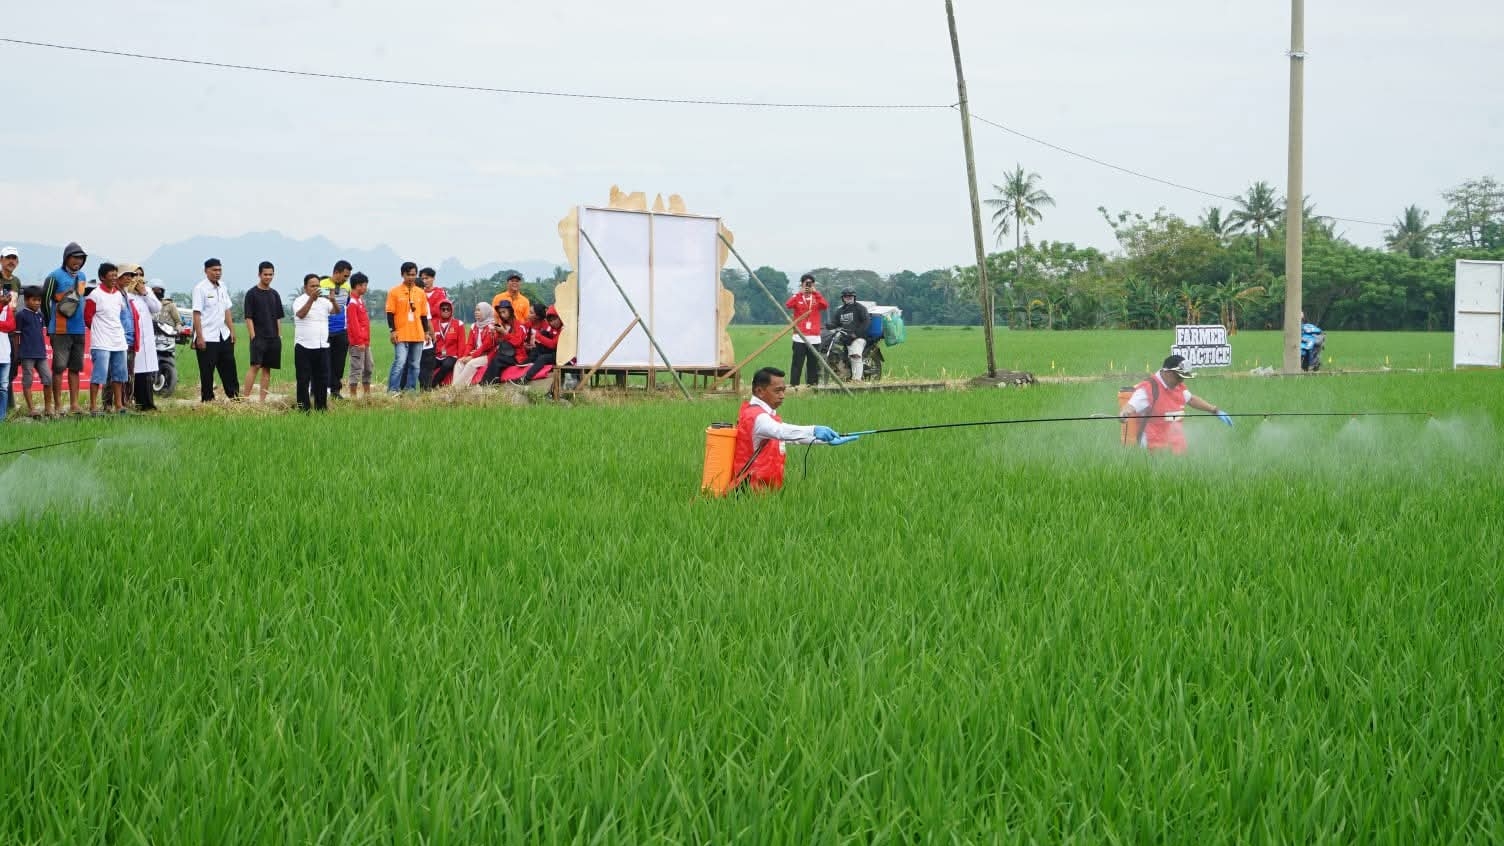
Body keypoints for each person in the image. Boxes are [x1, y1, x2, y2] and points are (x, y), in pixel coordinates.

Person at [731, 366, 858, 492]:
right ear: (760, 391)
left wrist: (824, 440)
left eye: (783, 390)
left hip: (762, 489)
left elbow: (788, 438)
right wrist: (814, 429)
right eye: (777, 391)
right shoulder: (758, 417)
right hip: (749, 489)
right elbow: (781, 431)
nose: (782, 396)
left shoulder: (761, 413)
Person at [1119, 354, 1235, 455]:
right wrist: (1124, 414)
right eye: (1179, 377)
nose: (1181, 381)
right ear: (1168, 373)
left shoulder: (1177, 386)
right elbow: (1130, 406)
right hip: (1153, 450)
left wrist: (1215, 410)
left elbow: (1191, 399)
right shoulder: (1149, 388)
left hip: (1176, 448)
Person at [42, 242, 89, 415]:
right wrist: (49, 325)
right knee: (59, 368)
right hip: (60, 330)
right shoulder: (54, 276)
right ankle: (58, 405)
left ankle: (75, 404)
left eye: (81, 258)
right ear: (66, 258)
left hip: (79, 329)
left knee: (75, 368)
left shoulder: (83, 276)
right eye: (74, 257)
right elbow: (45, 302)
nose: (78, 261)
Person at [84, 262, 131, 415]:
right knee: (99, 375)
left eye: (115, 275)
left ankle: (119, 405)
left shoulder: (118, 295)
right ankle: (93, 407)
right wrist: (100, 330)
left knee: (119, 375)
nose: (114, 278)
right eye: (110, 276)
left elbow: (120, 316)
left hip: (118, 341)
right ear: (102, 277)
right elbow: (88, 318)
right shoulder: (95, 295)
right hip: (101, 342)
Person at [191, 257, 239, 401]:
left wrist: (232, 331)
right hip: (207, 336)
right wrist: (199, 337)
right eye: (214, 270)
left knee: (230, 367)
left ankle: (235, 397)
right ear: (206, 271)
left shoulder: (222, 286)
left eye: (219, 270)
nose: (217, 273)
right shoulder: (200, 289)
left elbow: (227, 310)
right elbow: (196, 314)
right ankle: (208, 400)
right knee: (207, 371)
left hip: (223, 334)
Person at [293, 273, 340, 412]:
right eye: (312, 286)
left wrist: (333, 300)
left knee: (322, 379)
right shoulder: (299, 300)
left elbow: (336, 312)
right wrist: (311, 300)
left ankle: (321, 408)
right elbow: (300, 314)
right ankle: (304, 409)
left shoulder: (325, 301)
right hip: (304, 346)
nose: (315, 288)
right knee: (303, 379)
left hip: (322, 346)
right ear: (305, 287)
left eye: (318, 286)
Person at [384, 261, 431, 394]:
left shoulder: (420, 293)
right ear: (402, 274)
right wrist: (392, 331)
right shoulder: (394, 292)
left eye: (414, 275)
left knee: (415, 365)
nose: (411, 277)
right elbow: (390, 313)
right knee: (400, 362)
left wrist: (426, 332)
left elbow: (423, 315)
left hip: (417, 333)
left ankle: (410, 389)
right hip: (401, 334)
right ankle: (393, 389)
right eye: (409, 275)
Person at [243, 261, 285, 401]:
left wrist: (279, 336)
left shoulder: (275, 294)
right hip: (258, 337)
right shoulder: (251, 294)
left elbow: (278, 317)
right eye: (265, 274)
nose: (268, 277)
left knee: (267, 369)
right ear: (259, 274)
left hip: (273, 338)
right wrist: (253, 336)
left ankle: (262, 401)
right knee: (255, 366)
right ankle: (245, 399)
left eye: (270, 274)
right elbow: (248, 317)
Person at [124, 272, 162, 412]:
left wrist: (144, 292)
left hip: (147, 339)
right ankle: (132, 402)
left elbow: (157, 308)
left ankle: (148, 403)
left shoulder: (147, 291)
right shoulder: (126, 294)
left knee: (146, 373)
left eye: (141, 274)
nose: (139, 278)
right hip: (133, 338)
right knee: (133, 372)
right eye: (135, 274)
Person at [15, 286, 54, 418]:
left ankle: (48, 407)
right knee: (28, 380)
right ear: (26, 300)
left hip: (41, 354)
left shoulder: (40, 315)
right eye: (34, 300)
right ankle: (32, 409)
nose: (37, 303)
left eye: (39, 300)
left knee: (48, 378)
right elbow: (17, 336)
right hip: (27, 354)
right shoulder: (21, 315)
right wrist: (17, 353)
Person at [785, 272, 828, 387]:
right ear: (802, 284)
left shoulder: (816, 297)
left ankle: (812, 385)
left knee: (813, 363)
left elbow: (825, 305)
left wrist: (816, 292)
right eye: (806, 283)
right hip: (799, 336)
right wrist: (798, 293)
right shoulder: (798, 297)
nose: (808, 286)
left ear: (813, 284)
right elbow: (788, 305)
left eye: (810, 283)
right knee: (797, 362)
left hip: (814, 336)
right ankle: (794, 385)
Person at [320, 260, 353, 399]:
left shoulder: (347, 287)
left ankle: (335, 390)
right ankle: (323, 389)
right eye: (345, 276)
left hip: (341, 331)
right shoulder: (322, 285)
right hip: (325, 330)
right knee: (325, 362)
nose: (346, 279)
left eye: (348, 276)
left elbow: (346, 305)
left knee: (339, 364)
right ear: (336, 273)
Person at [480, 299, 527, 384]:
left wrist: (504, 332)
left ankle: (486, 384)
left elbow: (518, 342)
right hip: (505, 353)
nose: (502, 315)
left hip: (516, 356)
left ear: (510, 311)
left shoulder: (519, 325)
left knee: (498, 360)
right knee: (495, 358)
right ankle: (488, 384)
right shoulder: (502, 325)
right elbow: (498, 342)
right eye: (500, 312)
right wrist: (495, 334)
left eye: (504, 312)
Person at [827, 288, 870, 381]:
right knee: (833, 352)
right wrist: (828, 326)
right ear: (843, 298)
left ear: (854, 297)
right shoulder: (840, 311)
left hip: (858, 337)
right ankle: (843, 372)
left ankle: (857, 380)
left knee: (855, 355)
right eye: (846, 296)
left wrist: (856, 334)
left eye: (850, 296)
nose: (848, 298)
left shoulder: (860, 308)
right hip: (844, 337)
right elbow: (835, 323)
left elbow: (866, 322)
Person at [452, 302, 496, 386]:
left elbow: (485, 346)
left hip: (487, 355)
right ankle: (456, 386)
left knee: (471, 364)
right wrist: (465, 356)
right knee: (459, 362)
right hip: (475, 353)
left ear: (486, 312)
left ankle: (455, 389)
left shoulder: (492, 327)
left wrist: (472, 356)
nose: (476, 312)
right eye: (475, 310)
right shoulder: (474, 326)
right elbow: (470, 344)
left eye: (479, 310)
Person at [344, 272, 373, 397]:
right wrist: (359, 341)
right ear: (357, 286)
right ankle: (353, 395)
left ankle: (367, 394)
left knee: (368, 367)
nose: (365, 288)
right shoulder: (352, 303)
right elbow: (354, 325)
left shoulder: (360, 301)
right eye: (364, 285)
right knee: (356, 368)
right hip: (357, 343)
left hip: (365, 342)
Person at [418, 267, 446, 389]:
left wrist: (426, 308)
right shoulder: (419, 292)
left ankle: (431, 385)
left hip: (435, 329)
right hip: (419, 328)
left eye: (427, 278)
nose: (425, 281)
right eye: (422, 278)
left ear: (433, 278)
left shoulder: (440, 292)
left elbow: (439, 310)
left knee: (431, 359)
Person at [518, 305, 562, 383]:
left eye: (555, 319)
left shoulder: (562, 329)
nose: (553, 322)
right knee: (541, 342)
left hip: (562, 356)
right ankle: (531, 359)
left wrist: (538, 336)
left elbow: (553, 344)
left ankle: (525, 379)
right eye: (551, 320)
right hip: (553, 351)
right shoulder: (528, 324)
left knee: (543, 358)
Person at [429, 301, 465, 387]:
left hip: (451, 355)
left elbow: (461, 343)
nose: (445, 311)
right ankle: (424, 386)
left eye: (448, 309)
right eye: (443, 309)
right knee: (428, 365)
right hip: (437, 355)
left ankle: (433, 384)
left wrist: (460, 358)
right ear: (439, 311)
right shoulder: (433, 324)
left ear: (451, 311)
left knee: (447, 365)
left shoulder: (458, 324)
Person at [1, 247, 20, 367]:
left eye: (14, 258)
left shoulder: (16, 281)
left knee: (12, 366)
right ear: (1, 260)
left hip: (11, 330)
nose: (11, 261)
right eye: (8, 258)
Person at [0, 284, 12, 421]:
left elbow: (11, 325)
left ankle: (1, 419)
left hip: (4, 354)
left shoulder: (6, 304)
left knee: (3, 388)